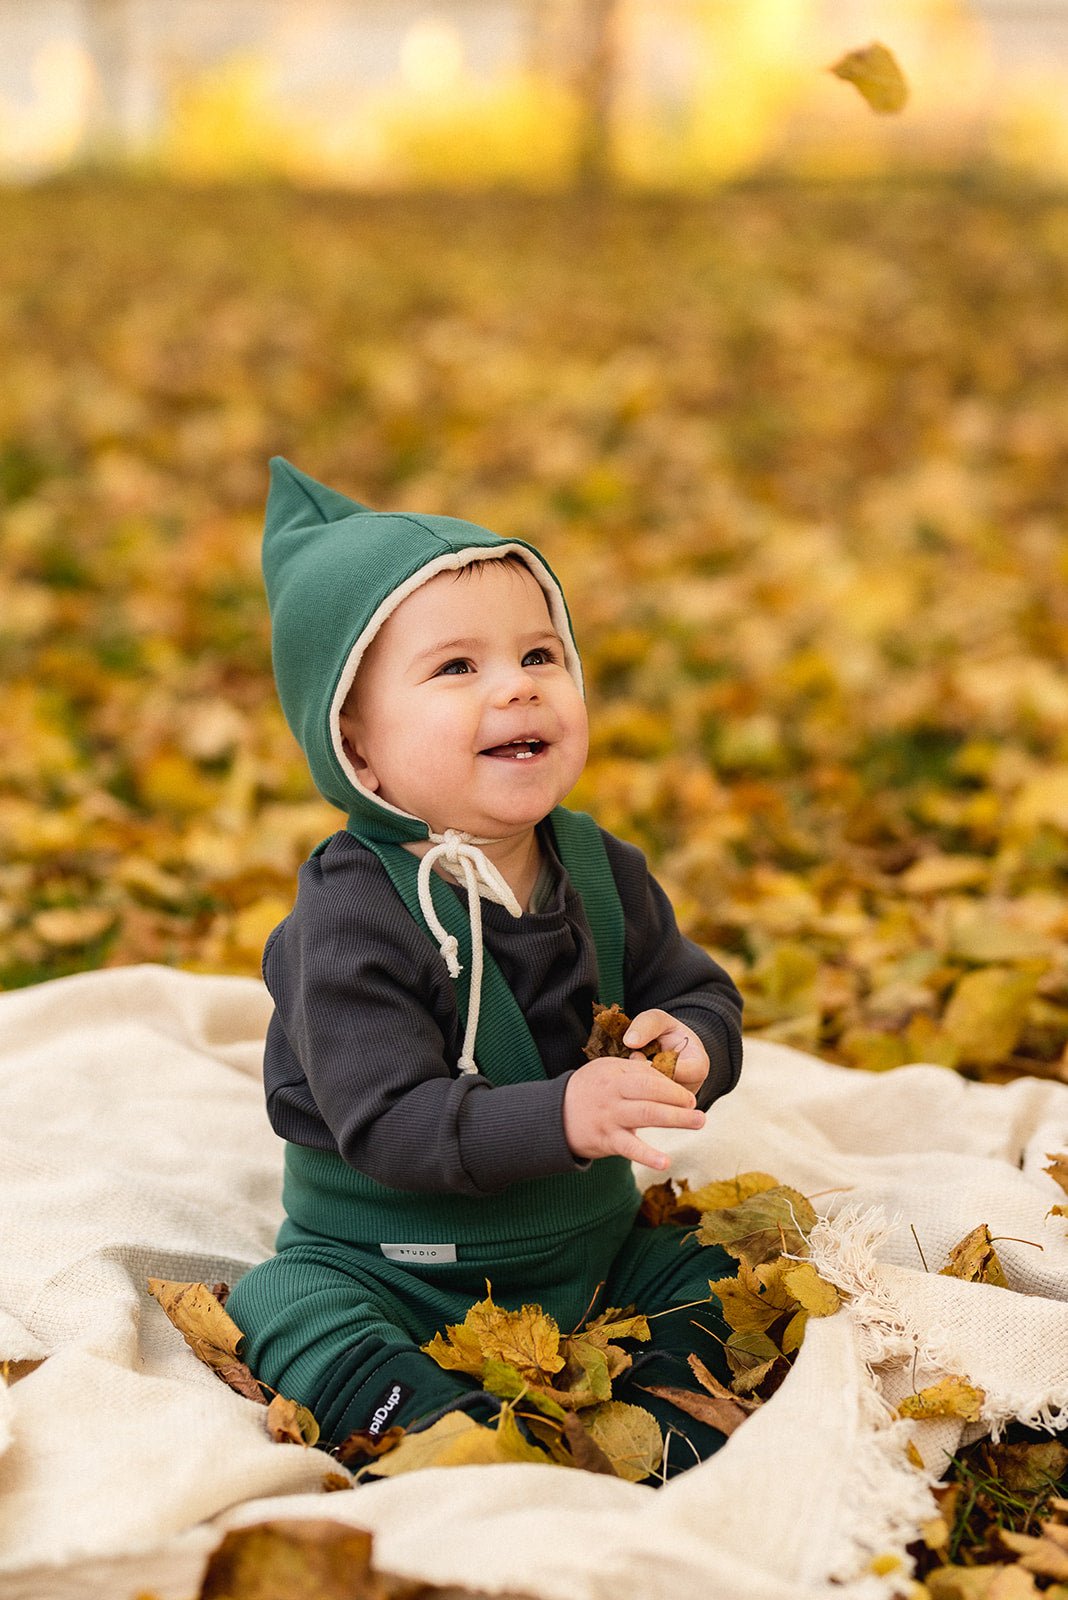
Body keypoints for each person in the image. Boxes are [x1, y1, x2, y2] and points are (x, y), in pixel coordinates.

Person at [226, 458, 744, 1478]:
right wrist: (564, 1115)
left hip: (585, 1250)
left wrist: (694, 1042)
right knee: (281, 1306)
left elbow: (696, 985)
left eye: (541, 652)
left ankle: (660, 1413)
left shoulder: (597, 868)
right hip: (390, 1262)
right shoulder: (349, 918)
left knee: (714, 1260)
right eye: (456, 668)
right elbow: (390, 1121)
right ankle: (420, 1419)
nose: (517, 684)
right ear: (357, 752)